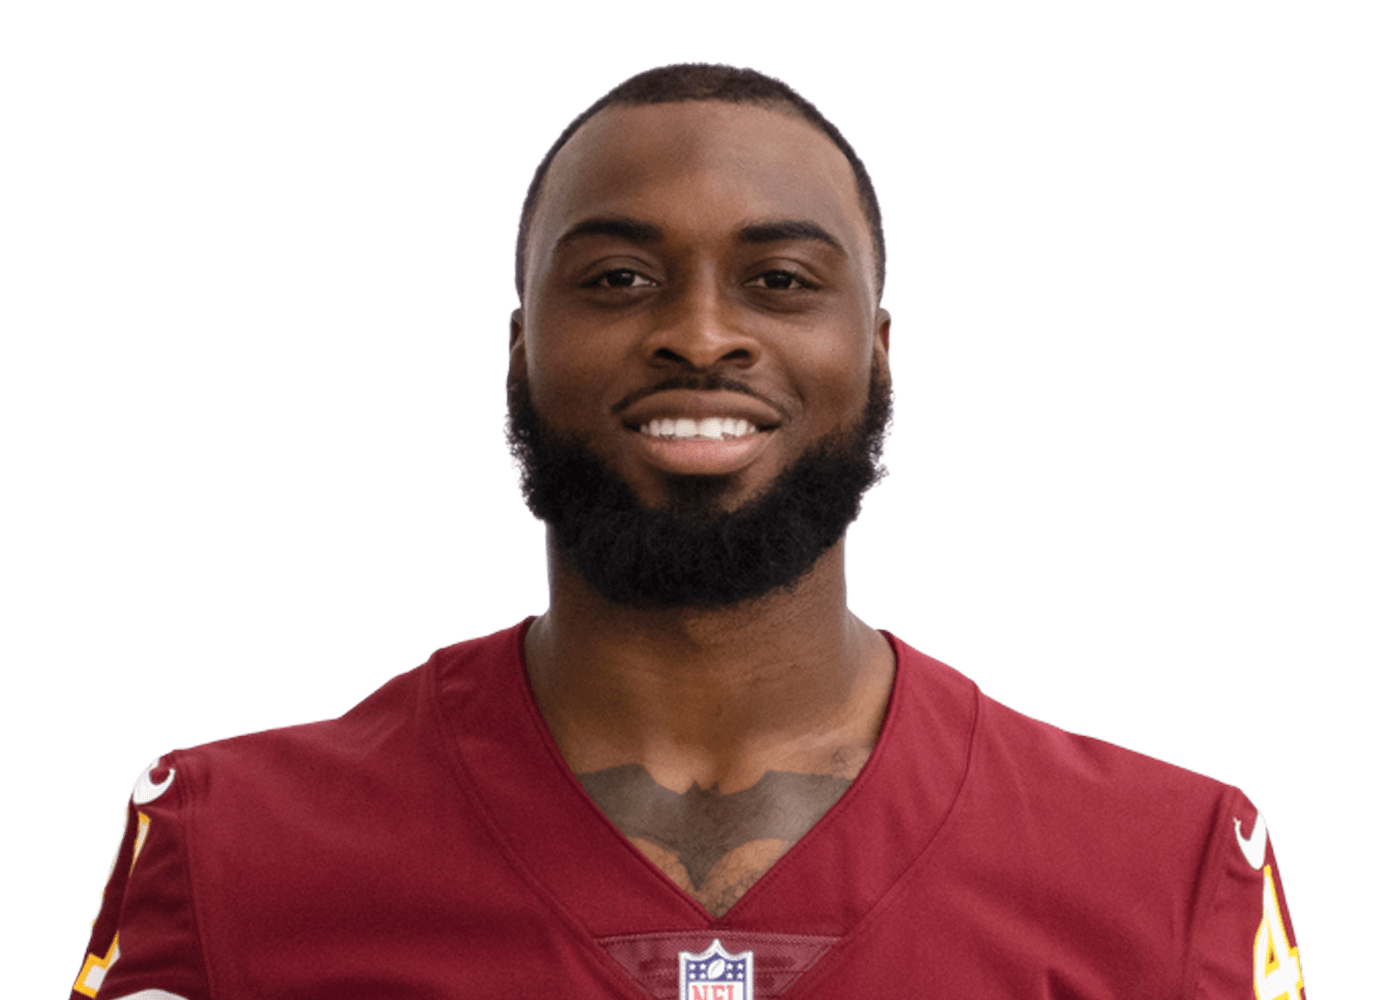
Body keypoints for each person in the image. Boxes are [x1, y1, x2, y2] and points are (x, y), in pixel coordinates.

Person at [69, 62, 1305, 1000]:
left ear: (875, 356)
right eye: (617, 279)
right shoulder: (234, 850)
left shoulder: (1167, 868)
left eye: (780, 281)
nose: (701, 336)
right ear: (520, 349)